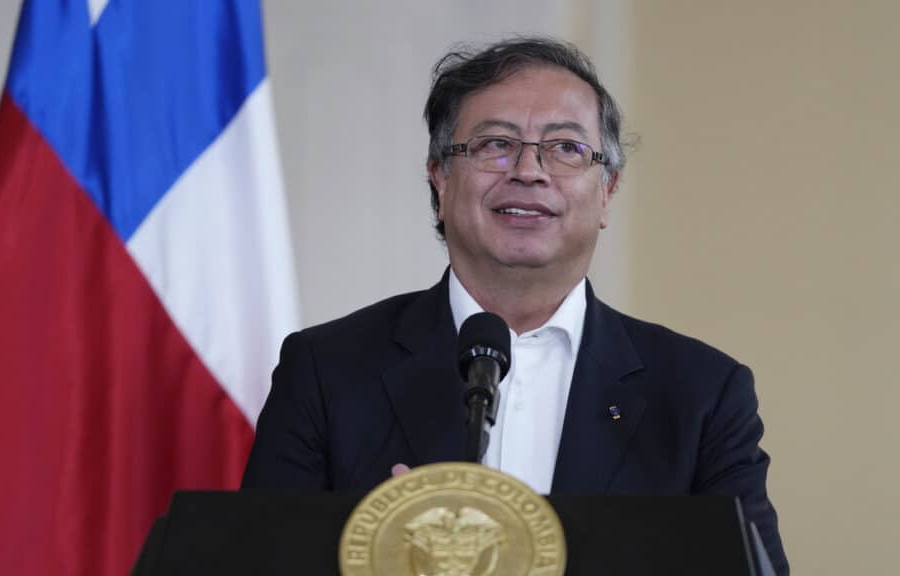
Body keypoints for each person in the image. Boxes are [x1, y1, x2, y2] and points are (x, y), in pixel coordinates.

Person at [241, 37, 787, 573]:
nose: (528, 170)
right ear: (440, 178)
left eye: (567, 148)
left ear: (607, 190)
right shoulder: (326, 369)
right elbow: (255, 563)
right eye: (494, 144)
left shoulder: (702, 394)